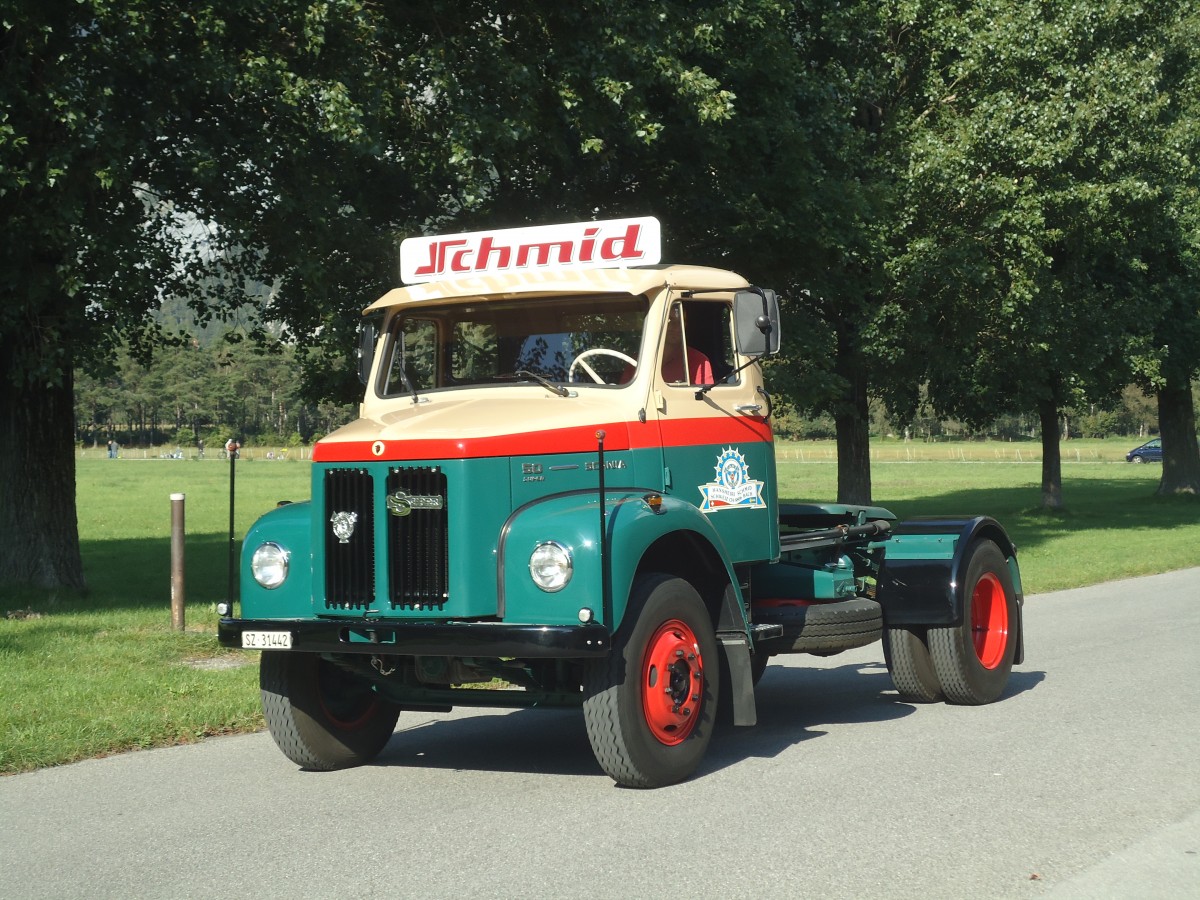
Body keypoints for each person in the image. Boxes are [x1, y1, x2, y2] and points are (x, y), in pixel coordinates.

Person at [660, 304, 713, 385]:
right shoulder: (637, 361)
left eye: (681, 321)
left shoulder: (699, 361)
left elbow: (704, 394)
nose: (676, 327)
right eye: (669, 320)